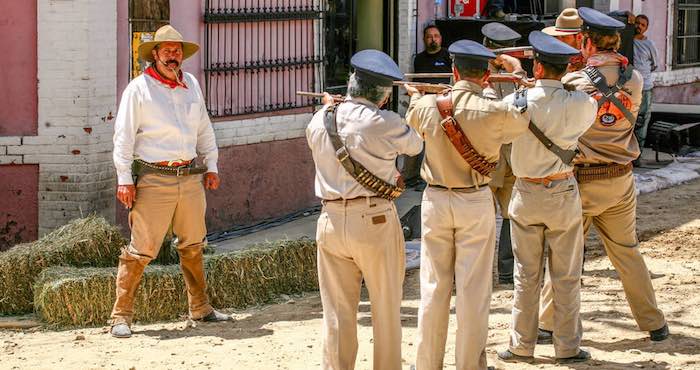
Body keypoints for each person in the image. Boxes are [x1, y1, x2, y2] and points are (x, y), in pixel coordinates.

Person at [537, 7, 669, 345]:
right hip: (621, 178)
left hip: (582, 181)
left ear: (586, 42)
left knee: (566, 256)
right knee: (628, 253)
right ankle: (654, 323)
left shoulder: (574, 82)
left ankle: (548, 324)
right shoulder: (635, 79)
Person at [405, 39, 530, 370]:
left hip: (435, 198)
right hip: (474, 200)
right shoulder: (494, 109)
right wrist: (513, 77)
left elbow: (414, 117)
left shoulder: (428, 105)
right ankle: (469, 365)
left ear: (455, 70)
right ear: (486, 76)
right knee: (474, 292)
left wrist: (417, 95)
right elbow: (520, 117)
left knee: (433, 287)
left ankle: (427, 364)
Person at [111, 25, 231, 338]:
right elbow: (123, 137)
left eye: (177, 50)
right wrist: (125, 179)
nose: (173, 55)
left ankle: (200, 308)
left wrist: (212, 163)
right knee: (141, 250)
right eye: (167, 50)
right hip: (154, 178)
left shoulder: (191, 83)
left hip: (189, 177)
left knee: (193, 244)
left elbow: (203, 126)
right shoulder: (138, 89)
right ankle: (120, 316)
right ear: (155, 54)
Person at [306, 49, 423, 370]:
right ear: (383, 95)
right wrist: (416, 104)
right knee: (385, 308)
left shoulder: (320, 119)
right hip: (373, 219)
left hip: (330, 219)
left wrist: (332, 108)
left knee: (338, 313)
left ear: (351, 85)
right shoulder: (384, 121)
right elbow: (415, 145)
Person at [496, 31, 598, 364]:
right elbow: (582, 107)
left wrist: (524, 84)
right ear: (564, 69)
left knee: (526, 275)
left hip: (526, 191)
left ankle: (521, 345)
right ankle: (567, 347)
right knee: (566, 275)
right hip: (563, 190)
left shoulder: (516, 102)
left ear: (537, 67)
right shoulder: (582, 103)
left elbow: (504, 125)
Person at [482, 22, 526, 285]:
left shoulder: (517, 74)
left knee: (511, 214)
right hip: (487, 157)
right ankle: (481, 272)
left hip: (512, 156)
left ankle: (507, 272)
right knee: (482, 219)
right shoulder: (474, 73)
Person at [633, 14, 659, 149]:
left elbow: (655, 65)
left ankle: (638, 152)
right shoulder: (626, 40)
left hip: (645, 87)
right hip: (628, 87)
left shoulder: (649, 44)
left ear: (646, 28)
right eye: (637, 23)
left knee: (642, 120)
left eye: (642, 25)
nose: (639, 26)